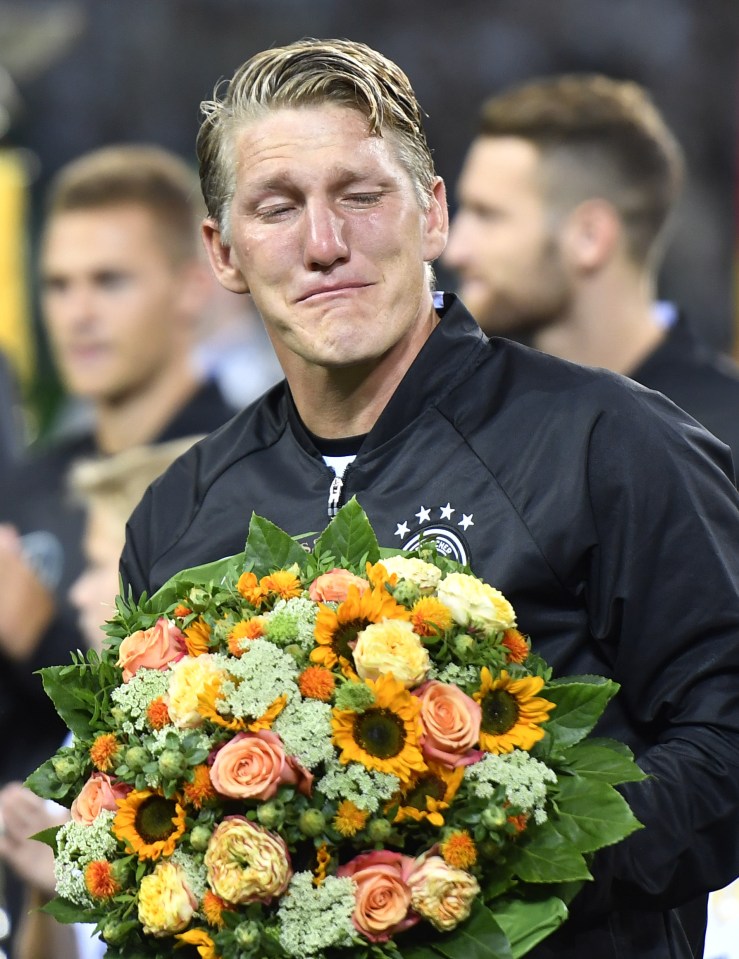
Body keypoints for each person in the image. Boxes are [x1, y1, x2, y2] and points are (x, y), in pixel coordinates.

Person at [118, 39, 739, 959]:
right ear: (223, 253)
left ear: (434, 213)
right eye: (277, 208)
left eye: (361, 195)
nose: (326, 244)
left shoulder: (605, 441)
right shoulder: (178, 512)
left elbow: (725, 733)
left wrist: (496, 853)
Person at [0, 144, 238, 952]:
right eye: (58, 285)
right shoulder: (32, 483)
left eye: (109, 281)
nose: (78, 314)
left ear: (189, 286)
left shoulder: (245, 478)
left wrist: (42, 637)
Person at [442, 73, 739, 461]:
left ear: (589, 238)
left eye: (488, 216)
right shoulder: (463, 416)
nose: (454, 251)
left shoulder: (721, 440)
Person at [0, 437, 203, 959]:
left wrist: (84, 879)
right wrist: (49, 882)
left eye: (98, 567)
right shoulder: (94, 733)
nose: (77, 592)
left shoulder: (215, 748)